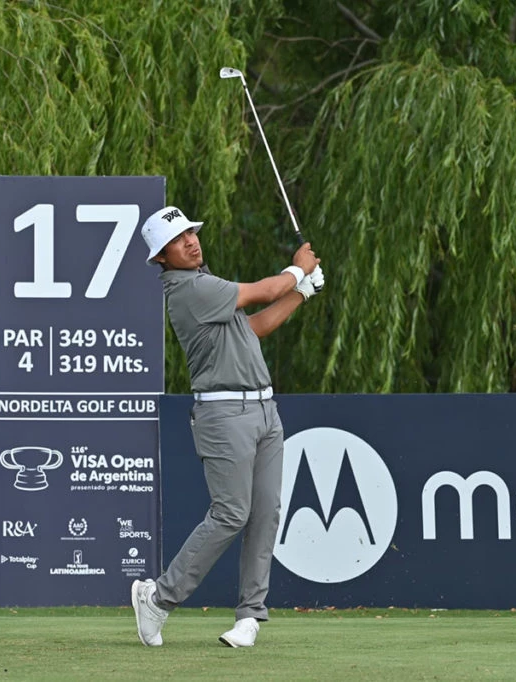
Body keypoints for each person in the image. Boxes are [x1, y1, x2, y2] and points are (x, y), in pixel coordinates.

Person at [132, 205, 324, 648]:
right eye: (178, 240)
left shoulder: (209, 285)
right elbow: (260, 292)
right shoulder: (187, 290)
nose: (191, 241)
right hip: (223, 416)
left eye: (191, 233)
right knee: (231, 513)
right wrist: (297, 271)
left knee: (265, 513)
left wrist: (303, 291)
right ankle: (158, 597)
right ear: (162, 257)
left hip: (263, 411)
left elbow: (255, 326)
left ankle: (250, 616)